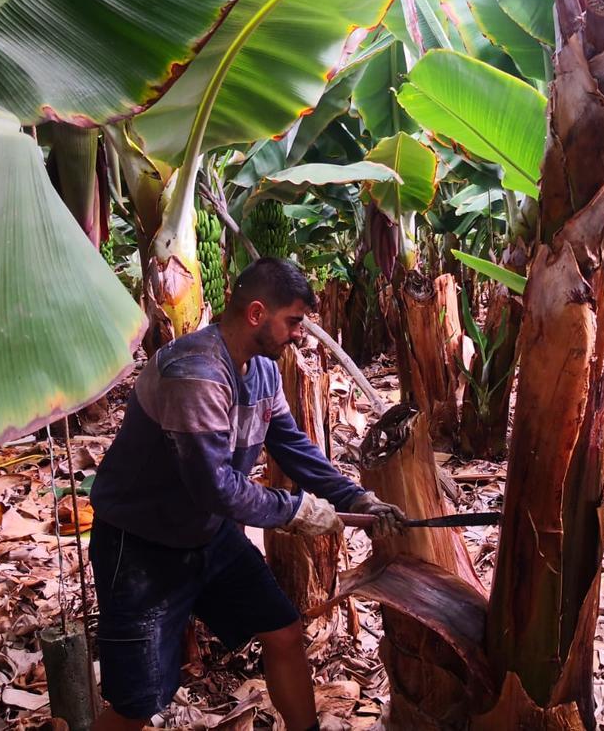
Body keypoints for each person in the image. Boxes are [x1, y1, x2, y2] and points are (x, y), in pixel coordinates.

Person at [88, 258, 405, 731]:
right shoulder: (193, 371)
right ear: (257, 313)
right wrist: (294, 510)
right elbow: (214, 486)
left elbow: (292, 445)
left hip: (205, 535)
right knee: (137, 702)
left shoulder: (261, 372)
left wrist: (356, 498)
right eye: (293, 321)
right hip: (140, 545)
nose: (300, 334)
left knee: (283, 631)